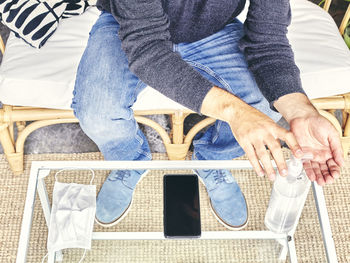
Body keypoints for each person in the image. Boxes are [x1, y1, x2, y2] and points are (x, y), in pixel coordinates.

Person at [72, 0, 344, 229]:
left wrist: (301, 110)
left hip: (215, 30)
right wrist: (236, 112)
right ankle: (128, 161)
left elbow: (268, 41)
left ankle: (212, 160)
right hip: (129, 27)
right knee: (95, 111)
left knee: (262, 104)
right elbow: (148, 50)